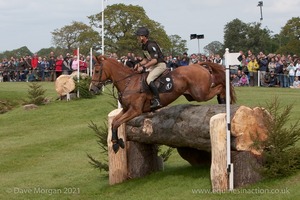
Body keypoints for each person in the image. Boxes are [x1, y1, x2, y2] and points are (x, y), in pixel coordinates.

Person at [134, 27, 166, 109]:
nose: (138, 38)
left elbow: (155, 60)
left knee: (149, 79)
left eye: (139, 36)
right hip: (153, 65)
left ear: (143, 36)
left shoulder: (151, 45)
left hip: (160, 65)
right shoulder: (144, 46)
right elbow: (146, 59)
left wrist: (144, 67)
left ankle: (157, 100)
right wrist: (139, 64)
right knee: (141, 76)